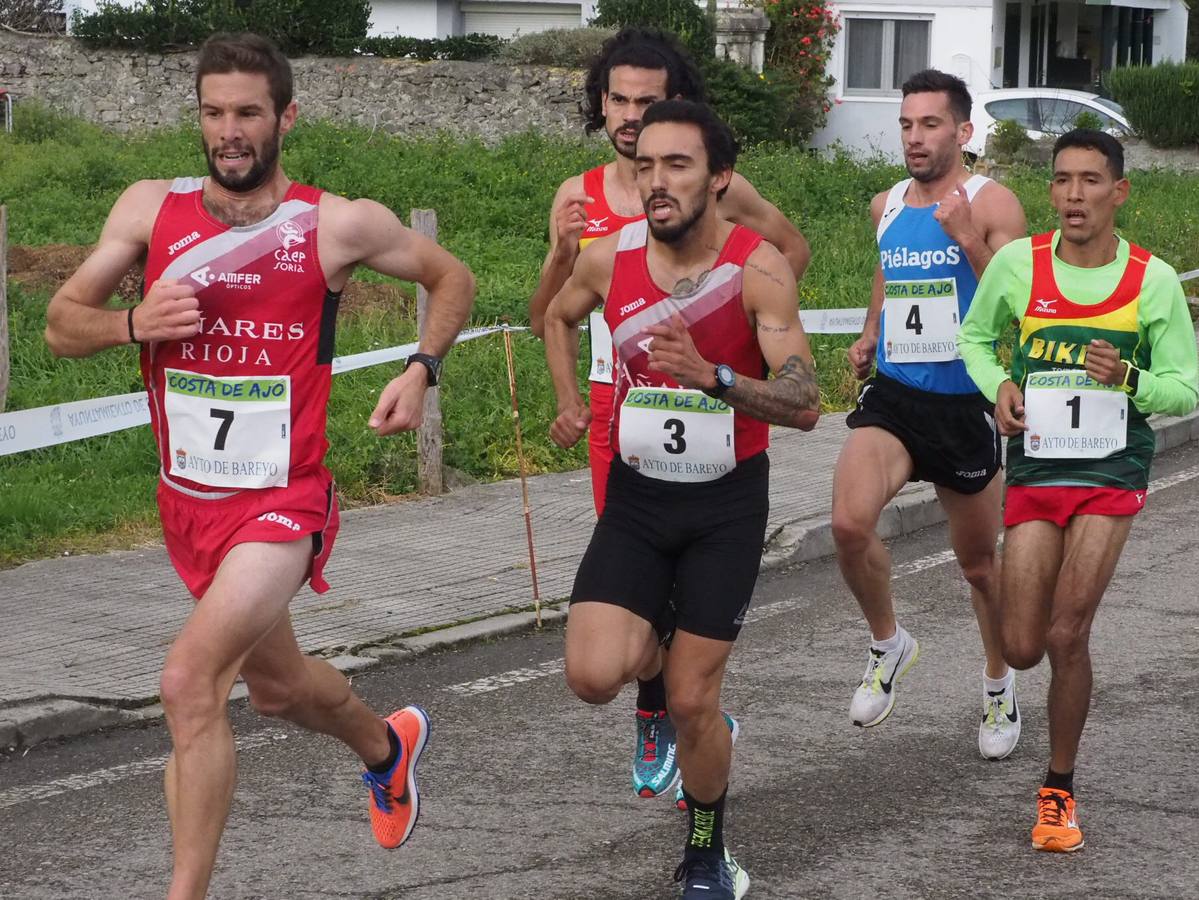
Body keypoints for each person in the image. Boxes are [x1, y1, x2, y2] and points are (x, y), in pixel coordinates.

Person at [43, 33, 476, 898]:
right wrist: (134, 325)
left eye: (247, 112)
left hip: (283, 501)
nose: (229, 131)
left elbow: (450, 276)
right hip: (187, 502)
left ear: (285, 116)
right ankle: (385, 747)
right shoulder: (147, 212)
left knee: (188, 683)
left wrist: (419, 370)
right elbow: (60, 325)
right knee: (276, 690)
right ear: (197, 117)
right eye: (213, 113)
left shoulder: (332, 221)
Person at [527, 25, 810, 806]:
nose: (652, 172)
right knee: (604, 651)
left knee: (695, 687)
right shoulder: (590, 222)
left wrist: (732, 346)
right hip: (631, 442)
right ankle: (665, 694)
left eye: (648, 107)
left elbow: (804, 387)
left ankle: (700, 776)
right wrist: (569, 395)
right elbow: (548, 312)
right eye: (619, 104)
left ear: (713, 175)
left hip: (721, 459)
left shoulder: (744, 237)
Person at [957, 129, 1199, 852]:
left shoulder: (1152, 280)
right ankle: (1012, 683)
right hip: (1037, 467)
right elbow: (973, 339)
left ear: (1118, 193)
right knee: (1023, 644)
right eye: (1061, 180)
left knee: (1067, 632)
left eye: (1090, 181)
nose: (1072, 195)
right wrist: (996, 385)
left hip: (1108, 472)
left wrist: (1127, 379)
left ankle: (1057, 790)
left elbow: (1183, 390)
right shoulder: (1017, 265)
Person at [829, 70, 1028, 759]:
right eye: (906, 125)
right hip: (895, 396)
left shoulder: (992, 201)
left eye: (930, 125)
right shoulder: (885, 204)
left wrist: (969, 238)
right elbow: (889, 278)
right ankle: (889, 643)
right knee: (848, 524)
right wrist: (867, 333)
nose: (915, 138)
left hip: (963, 402)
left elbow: (1020, 303)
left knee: (978, 566)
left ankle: (998, 684)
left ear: (963, 133)